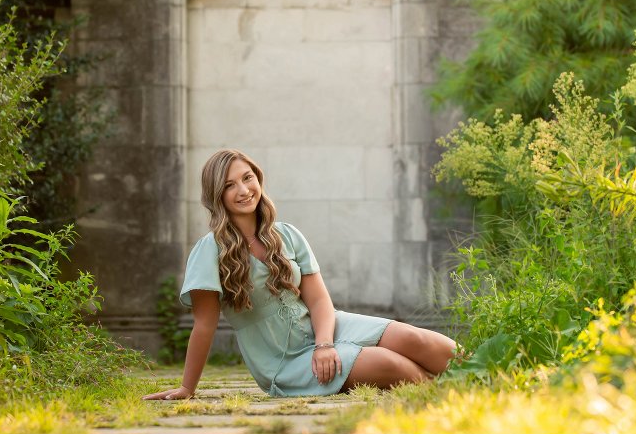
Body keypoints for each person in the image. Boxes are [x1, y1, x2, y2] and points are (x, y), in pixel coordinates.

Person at [143, 149, 454, 402]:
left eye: (247, 178)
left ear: (258, 179)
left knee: (417, 339)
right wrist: (187, 387)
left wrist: (324, 344)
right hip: (284, 360)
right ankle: (453, 392)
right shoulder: (209, 250)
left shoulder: (286, 235)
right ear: (217, 195)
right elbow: (204, 324)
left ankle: (489, 376)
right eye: (229, 185)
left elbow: (318, 299)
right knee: (387, 363)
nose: (243, 190)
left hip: (325, 328)